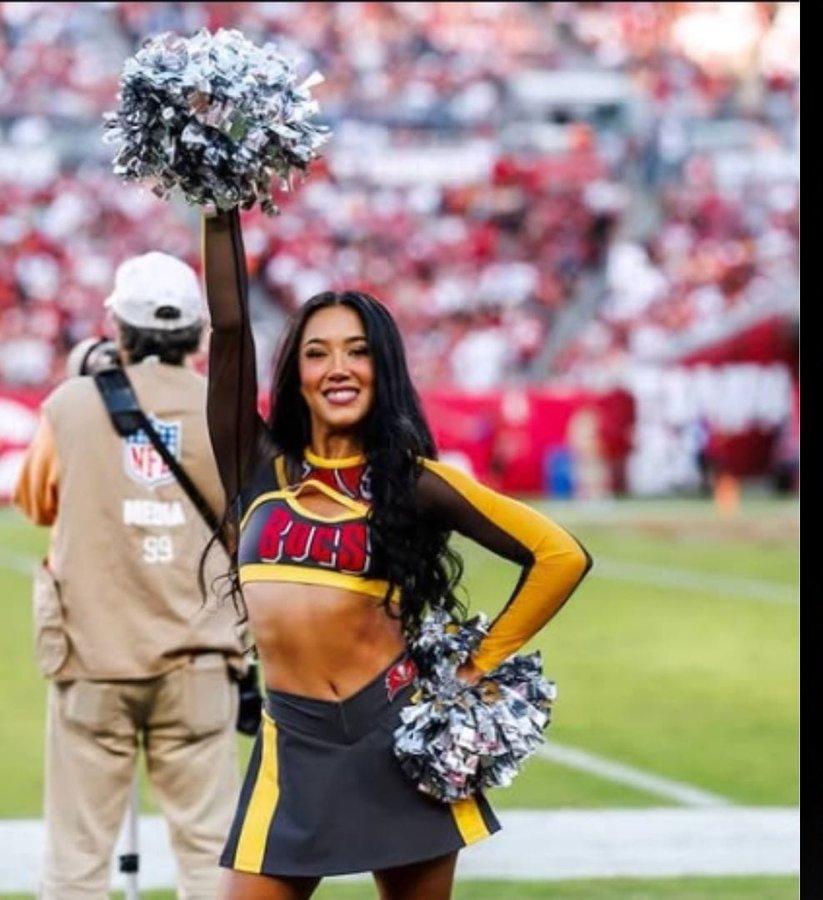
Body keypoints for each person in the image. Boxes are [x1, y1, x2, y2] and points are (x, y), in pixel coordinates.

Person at [199, 208, 593, 897]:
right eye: (317, 352)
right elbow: (231, 329)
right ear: (295, 374)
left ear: (383, 367)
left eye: (357, 350)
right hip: (291, 745)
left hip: (395, 741)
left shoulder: (411, 481)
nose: (338, 367)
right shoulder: (256, 467)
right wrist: (219, 210)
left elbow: (559, 555)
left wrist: (478, 666)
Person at [13, 252, 247, 900]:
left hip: (94, 656)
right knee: (210, 859)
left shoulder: (71, 404)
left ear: (117, 328)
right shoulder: (222, 408)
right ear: (199, 334)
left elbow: (35, 501)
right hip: (199, 659)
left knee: (77, 863)